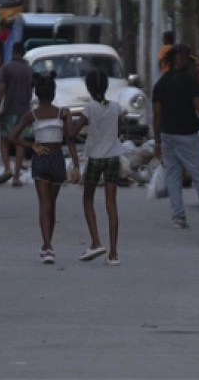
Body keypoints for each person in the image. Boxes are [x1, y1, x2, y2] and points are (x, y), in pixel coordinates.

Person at [152, 44, 199, 230]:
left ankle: (178, 217)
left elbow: (157, 114)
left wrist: (157, 141)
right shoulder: (190, 82)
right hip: (187, 134)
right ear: (185, 59)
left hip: (167, 134)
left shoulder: (160, 84)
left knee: (173, 175)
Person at [8, 72, 80, 265]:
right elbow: (70, 141)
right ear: (54, 93)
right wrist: (76, 164)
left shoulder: (32, 115)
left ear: (36, 94)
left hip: (41, 160)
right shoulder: (62, 113)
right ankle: (49, 245)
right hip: (57, 160)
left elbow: (12, 137)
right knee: (52, 205)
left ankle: (46, 246)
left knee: (44, 204)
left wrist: (32, 146)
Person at [67, 69, 124, 265]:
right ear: (106, 87)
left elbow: (73, 133)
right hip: (113, 157)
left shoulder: (89, 109)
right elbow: (121, 128)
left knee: (88, 199)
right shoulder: (116, 107)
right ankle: (114, 253)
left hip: (96, 158)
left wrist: (68, 122)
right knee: (111, 204)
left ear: (89, 89)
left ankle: (96, 242)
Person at [0, 43, 33, 187]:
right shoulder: (29, 70)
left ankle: (7, 169)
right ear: (23, 52)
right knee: (19, 143)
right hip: (24, 112)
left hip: (9, 111)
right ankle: (16, 176)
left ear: (13, 52)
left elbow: (1, 89)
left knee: (4, 141)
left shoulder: (7, 68)